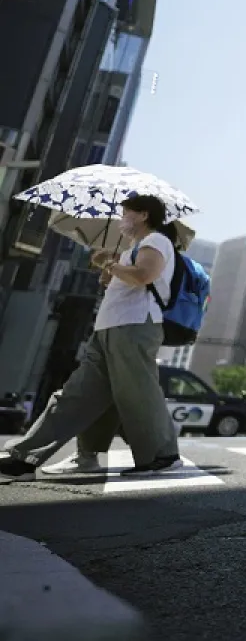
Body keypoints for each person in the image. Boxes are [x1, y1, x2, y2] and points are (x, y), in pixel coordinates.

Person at [1, 195, 181, 482]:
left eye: (127, 213)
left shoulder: (157, 241)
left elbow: (144, 275)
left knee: (138, 392)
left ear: (144, 215)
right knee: (78, 393)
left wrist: (109, 264)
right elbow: (128, 280)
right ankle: (27, 456)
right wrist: (110, 273)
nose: (122, 218)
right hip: (110, 328)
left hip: (134, 327)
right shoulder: (132, 248)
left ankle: (163, 455)